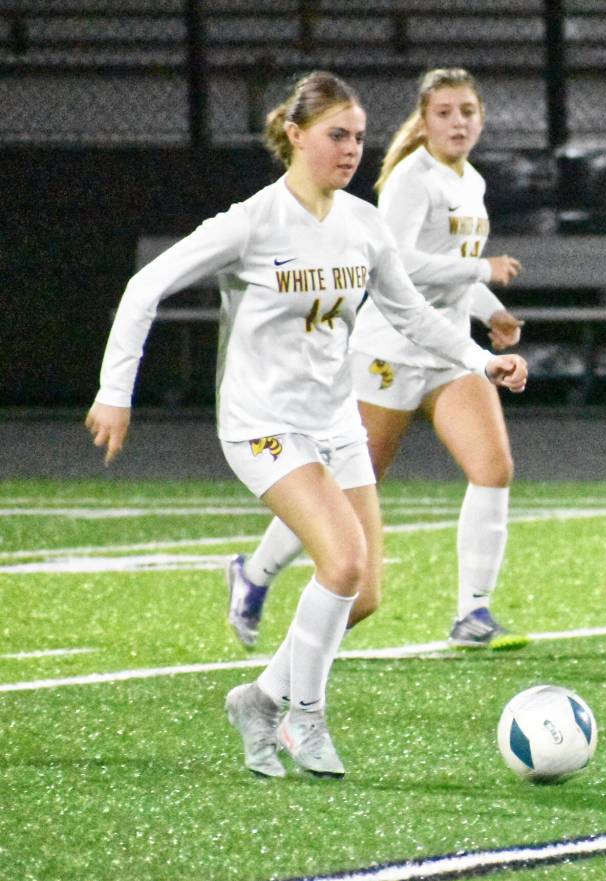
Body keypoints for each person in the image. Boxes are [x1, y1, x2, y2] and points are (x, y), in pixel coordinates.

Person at [85, 71, 527, 779]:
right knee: (343, 562)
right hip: (262, 422)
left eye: (357, 136)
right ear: (294, 135)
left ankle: (258, 699)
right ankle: (305, 718)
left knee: (365, 593)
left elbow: (411, 311)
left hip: (334, 420)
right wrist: (115, 391)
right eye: (335, 135)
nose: (351, 149)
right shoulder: (253, 221)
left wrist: (481, 359)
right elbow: (146, 286)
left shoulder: (362, 223)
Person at [225, 68, 529, 652]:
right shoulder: (414, 179)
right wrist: (480, 271)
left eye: (467, 111)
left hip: (445, 348)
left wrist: (489, 309)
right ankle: (255, 573)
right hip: (388, 349)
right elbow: (400, 269)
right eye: (444, 112)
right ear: (424, 118)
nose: (458, 122)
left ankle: (473, 612)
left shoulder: (473, 182)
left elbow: (450, 268)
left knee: (493, 468)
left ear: (482, 117)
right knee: (341, 488)